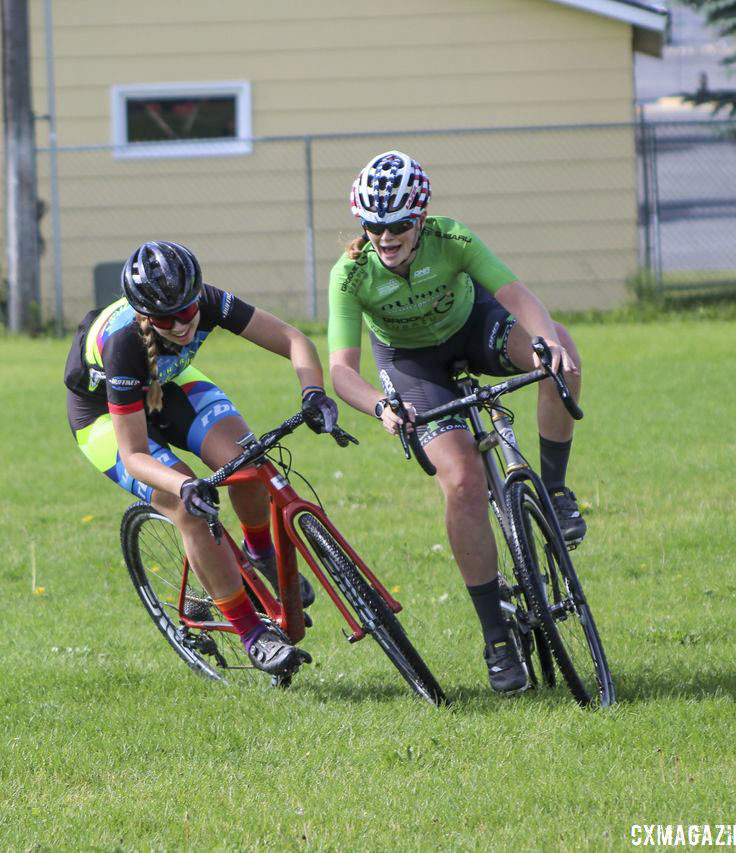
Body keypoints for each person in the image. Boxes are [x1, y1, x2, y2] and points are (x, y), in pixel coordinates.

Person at [326, 150, 585, 694]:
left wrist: (546, 342)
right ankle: (496, 638)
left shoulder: (453, 239)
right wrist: (379, 405)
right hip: (412, 365)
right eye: (375, 226)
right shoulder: (350, 275)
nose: (387, 236)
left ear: (420, 217)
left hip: (473, 327)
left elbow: (516, 295)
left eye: (398, 224)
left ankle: (556, 493)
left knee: (563, 349)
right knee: (463, 482)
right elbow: (341, 372)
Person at [64, 240, 339, 675]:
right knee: (190, 510)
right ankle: (252, 633)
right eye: (165, 319)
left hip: (167, 382)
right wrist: (182, 485)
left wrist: (313, 393)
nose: (180, 326)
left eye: (187, 312)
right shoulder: (124, 343)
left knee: (250, 462)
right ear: (144, 314)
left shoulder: (206, 301)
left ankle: (259, 551)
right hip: (102, 416)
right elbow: (134, 453)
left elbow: (293, 340)